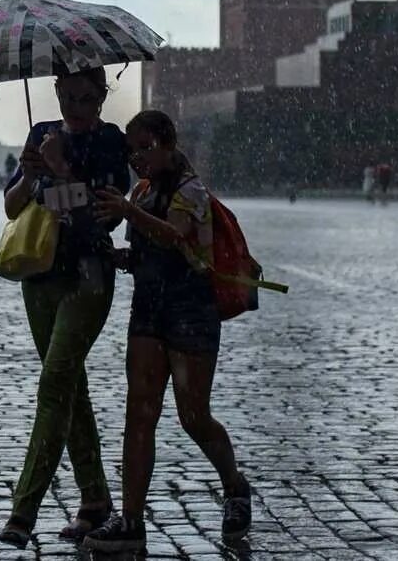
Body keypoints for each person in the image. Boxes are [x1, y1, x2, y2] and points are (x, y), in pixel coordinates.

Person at [83, 110, 252, 552]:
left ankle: (234, 486)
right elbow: (147, 251)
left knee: (193, 416)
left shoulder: (190, 191)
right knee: (139, 414)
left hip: (191, 313)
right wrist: (119, 256)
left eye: (145, 147)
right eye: (132, 149)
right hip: (148, 312)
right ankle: (131, 520)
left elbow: (175, 237)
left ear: (167, 143)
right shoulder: (140, 192)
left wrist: (126, 212)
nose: (137, 157)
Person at [0, 67, 131, 549]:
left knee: (55, 380)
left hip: (89, 275)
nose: (74, 106)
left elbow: (105, 212)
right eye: (67, 96)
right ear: (55, 94)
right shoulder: (40, 134)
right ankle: (95, 502)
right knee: (70, 384)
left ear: (100, 99)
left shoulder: (111, 142)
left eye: (84, 98)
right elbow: (13, 208)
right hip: (40, 276)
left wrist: (61, 171)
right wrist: (32, 172)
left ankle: (23, 511)